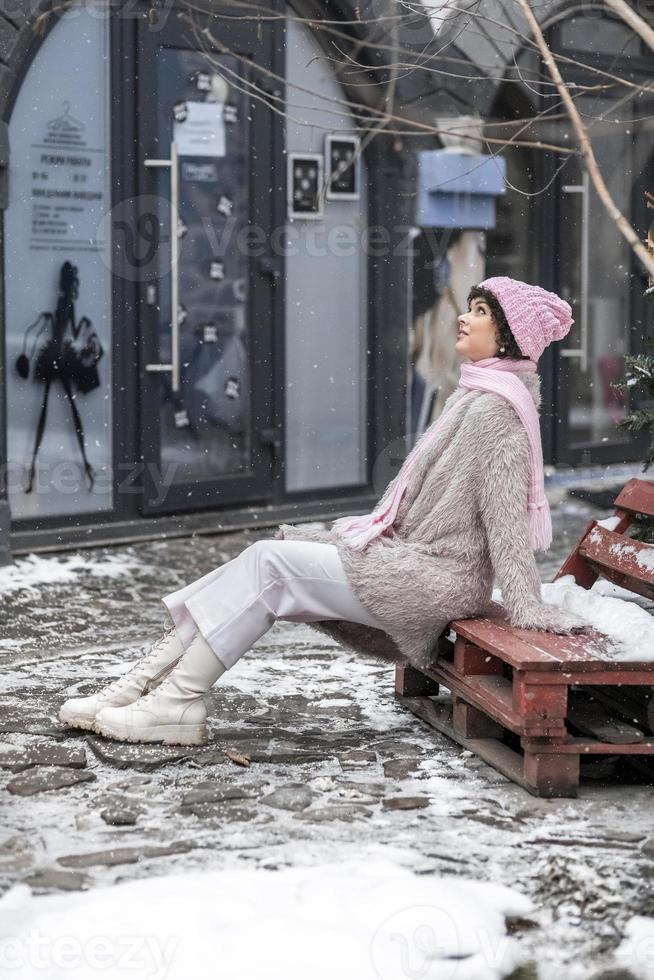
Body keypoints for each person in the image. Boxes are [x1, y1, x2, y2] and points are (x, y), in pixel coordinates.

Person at [58, 276, 590, 747]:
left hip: (436, 579)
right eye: (470, 306)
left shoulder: (499, 413)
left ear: (508, 337)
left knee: (271, 562)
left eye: (479, 311)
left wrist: (526, 606)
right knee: (267, 556)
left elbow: (506, 525)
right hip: (413, 562)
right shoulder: (475, 395)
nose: (463, 316)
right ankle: (144, 686)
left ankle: (175, 700)